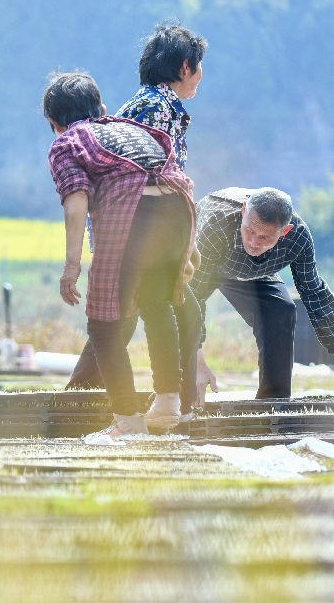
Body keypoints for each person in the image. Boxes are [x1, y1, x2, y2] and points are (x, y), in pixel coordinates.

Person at [68, 21, 208, 423]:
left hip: (154, 225)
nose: (200, 76)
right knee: (118, 321)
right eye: (198, 68)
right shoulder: (151, 108)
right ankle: (92, 404)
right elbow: (142, 179)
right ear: (185, 66)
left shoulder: (164, 106)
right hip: (139, 225)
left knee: (143, 315)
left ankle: (163, 406)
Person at [43, 71, 197, 437]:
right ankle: (166, 405)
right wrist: (188, 248)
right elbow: (173, 176)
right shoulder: (134, 129)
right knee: (157, 305)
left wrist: (71, 266)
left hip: (134, 213)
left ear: (54, 124)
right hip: (178, 211)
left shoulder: (67, 143)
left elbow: (76, 200)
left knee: (103, 324)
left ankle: (127, 421)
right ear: (103, 109)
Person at [190, 187, 334, 402]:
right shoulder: (216, 224)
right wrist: (197, 363)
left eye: (265, 237)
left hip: (253, 272)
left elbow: (314, 294)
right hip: (201, 264)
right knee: (181, 312)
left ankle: (272, 403)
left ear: (283, 232)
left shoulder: (298, 238)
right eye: (250, 230)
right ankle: (181, 398)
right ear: (244, 212)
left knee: (281, 309)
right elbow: (192, 295)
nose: (254, 242)